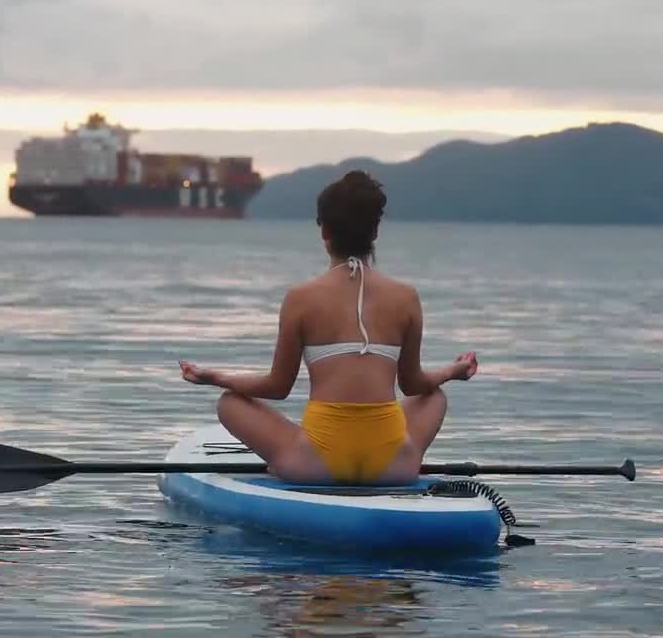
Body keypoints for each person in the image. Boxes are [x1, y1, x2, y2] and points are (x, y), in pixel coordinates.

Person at [178, 170, 478, 485]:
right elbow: (414, 384)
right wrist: (453, 371)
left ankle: (288, 461)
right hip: (392, 466)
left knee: (229, 402)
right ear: (374, 232)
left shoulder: (300, 298)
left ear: (325, 232)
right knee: (435, 396)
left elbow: (278, 387)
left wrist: (215, 377)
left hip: (315, 464)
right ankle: (403, 457)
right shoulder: (406, 297)